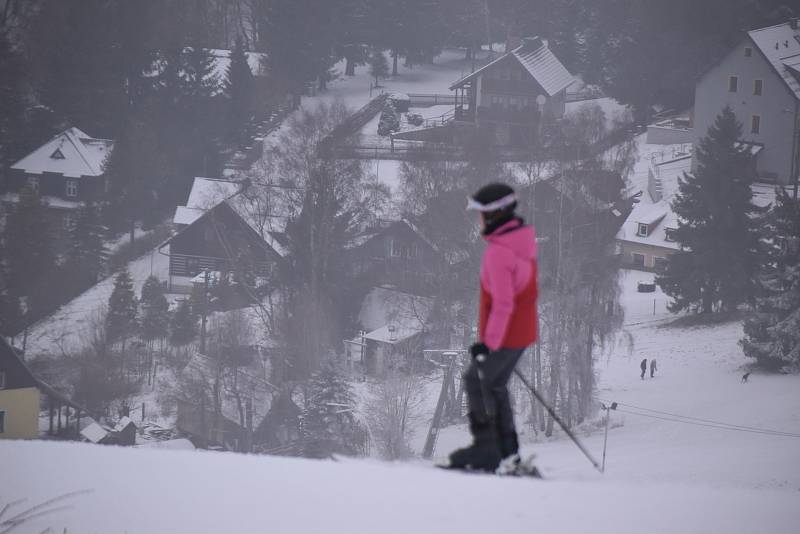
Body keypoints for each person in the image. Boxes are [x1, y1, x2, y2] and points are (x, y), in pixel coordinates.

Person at [447, 183, 538, 473]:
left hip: (507, 335)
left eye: (481, 214)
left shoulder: (499, 253)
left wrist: (489, 343)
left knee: (476, 380)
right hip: (522, 331)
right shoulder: (522, 240)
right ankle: (508, 452)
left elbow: (503, 303)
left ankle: (488, 451)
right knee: (494, 386)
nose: (479, 220)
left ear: (494, 214)